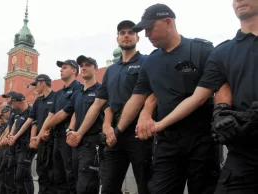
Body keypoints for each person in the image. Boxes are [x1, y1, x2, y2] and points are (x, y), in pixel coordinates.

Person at [114, 4, 232, 194]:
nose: (146, 35)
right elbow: (137, 98)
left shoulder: (201, 50)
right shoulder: (150, 62)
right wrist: (117, 130)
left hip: (201, 138)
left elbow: (209, 92)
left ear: (168, 22)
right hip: (167, 142)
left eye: (150, 28)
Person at [147, 0, 258, 193]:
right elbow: (202, 95)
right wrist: (221, 111)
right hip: (243, 152)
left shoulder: (204, 50)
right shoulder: (222, 52)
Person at [66, 20, 155, 194]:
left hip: (140, 134)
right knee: (108, 187)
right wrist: (83, 131)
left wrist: (147, 113)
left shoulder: (147, 61)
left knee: (146, 185)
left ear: (138, 37)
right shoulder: (111, 70)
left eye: (130, 32)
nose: (126, 35)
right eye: (122, 33)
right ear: (117, 39)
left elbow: (154, 92)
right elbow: (99, 104)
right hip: (113, 136)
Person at [31, 60, 81, 194]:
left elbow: (64, 114)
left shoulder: (79, 88)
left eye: (65, 68)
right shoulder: (59, 93)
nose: (61, 70)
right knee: (59, 175)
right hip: (57, 137)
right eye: (61, 68)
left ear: (74, 70)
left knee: (70, 174)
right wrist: (40, 134)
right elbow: (50, 116)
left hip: (69, 137)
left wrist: (44, 130)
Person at [9, 74, 56, 194]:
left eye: (36, 85)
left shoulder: (56, 97)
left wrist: (45, 132)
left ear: (42, 83)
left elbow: (56, 117)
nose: (35, 87)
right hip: (41, 142)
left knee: (53, 175)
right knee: (41, 172)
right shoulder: (38, 101)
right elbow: (30, 121)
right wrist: (17, 136)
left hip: (54, 141)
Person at [7, 92, 34, 194]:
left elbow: (31, 127)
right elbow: (15, 125)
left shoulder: (31, 111)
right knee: (19, 175)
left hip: (26, 147)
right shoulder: (19, 113)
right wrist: (10, 136)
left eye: (12, 103)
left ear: (17, 102)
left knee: (22, 175)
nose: (11, 105)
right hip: (17, 146)